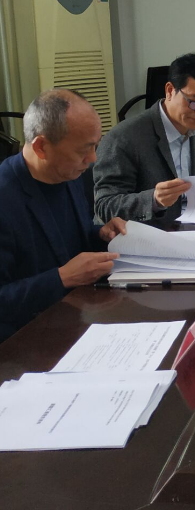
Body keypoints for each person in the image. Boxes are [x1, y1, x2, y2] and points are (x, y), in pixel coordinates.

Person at [0, 90, 126, 342]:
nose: (93, 158)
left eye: (96, 145)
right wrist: (61, 278)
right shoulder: (5, 196)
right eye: (84, 149)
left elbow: (63, 241)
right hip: (24, 340)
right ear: (41, 147)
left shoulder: (68, 174)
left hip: (75, 319)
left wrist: (101, 234)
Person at [94, 53, 195, 223]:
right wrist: (154, 200)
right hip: (146, 233)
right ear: (170, 90)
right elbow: (104, 206)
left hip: (189, 225)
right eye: (194, 102)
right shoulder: (124, 138)